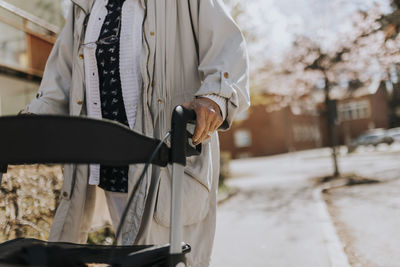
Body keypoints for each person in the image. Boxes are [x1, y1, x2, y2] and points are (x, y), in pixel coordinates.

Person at [24, 0, 249, 266]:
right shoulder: (85, 5)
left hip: (167, 158)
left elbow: (227, 45)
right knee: (130, 255)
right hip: (109, 162)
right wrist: (32, 121)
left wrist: (216, 96)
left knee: (167, 257)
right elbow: (62, 75)